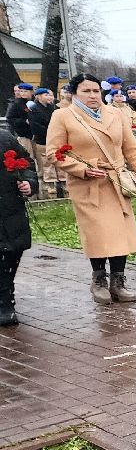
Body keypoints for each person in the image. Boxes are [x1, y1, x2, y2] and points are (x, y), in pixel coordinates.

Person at [46, 73, 136, 304]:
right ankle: (99, 279)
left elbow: (132, 151)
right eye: (86, 91)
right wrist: (82, 169)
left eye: (95, 91)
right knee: (98, 232)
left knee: (120, 232)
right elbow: (53, 153)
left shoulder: (115, 113)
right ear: (74, 93)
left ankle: (118, 282)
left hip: (117, 182)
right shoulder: (64, 116)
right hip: (88, 185)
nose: (92, 96)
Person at [0, 122, 36, 325]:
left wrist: (28, 183)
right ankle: (4, 300)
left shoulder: (4, 138)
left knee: (11, 251)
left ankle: (6, 296)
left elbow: (27, 164)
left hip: (8, 208)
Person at [28, 87, 58, 199]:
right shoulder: (33, 109)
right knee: (46, 162)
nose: (49, 97)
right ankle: (49, 183)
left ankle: (62, 181)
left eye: (50, 95)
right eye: (46, 95)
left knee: (58, 159)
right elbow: (35, 125)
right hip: (42, 139)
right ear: (39, 97)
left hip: (54, 138)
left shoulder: (52, 108)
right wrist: (48, 132)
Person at [6, 82, 34, 156]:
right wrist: (24, 121)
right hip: (24, 135)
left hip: (38, 135)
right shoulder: (17, 103)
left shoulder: (35, 102)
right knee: (28, 156)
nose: (23, 93)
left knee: (42, 158)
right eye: (21, 91)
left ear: (31, 92)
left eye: (25, 91)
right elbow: (10, 118)